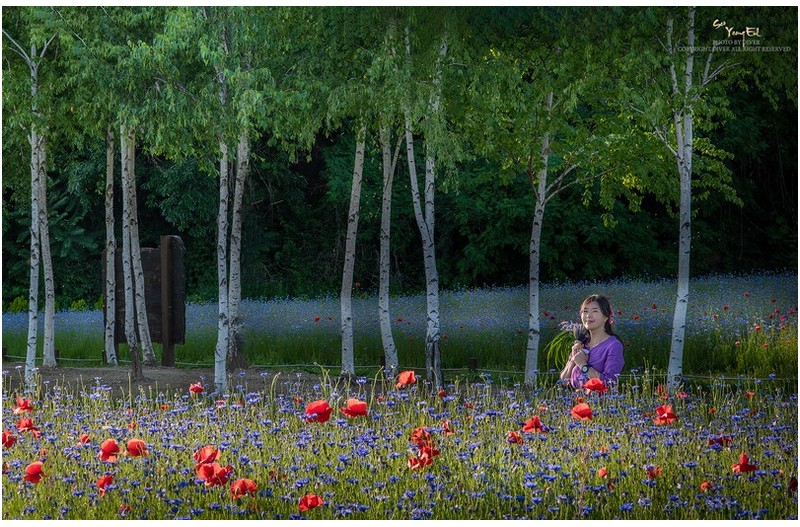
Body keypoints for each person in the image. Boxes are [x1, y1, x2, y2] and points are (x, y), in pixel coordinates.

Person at [559, 294, 624, 389]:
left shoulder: (613, 346)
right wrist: (573, 360)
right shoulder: (582, 344)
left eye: (595, 311)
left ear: (606, 317)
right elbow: (563, 382)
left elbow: (609, 383)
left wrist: (583, 365)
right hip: (578, 401)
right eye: (585, 311)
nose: (588, 316)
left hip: (600, 403)